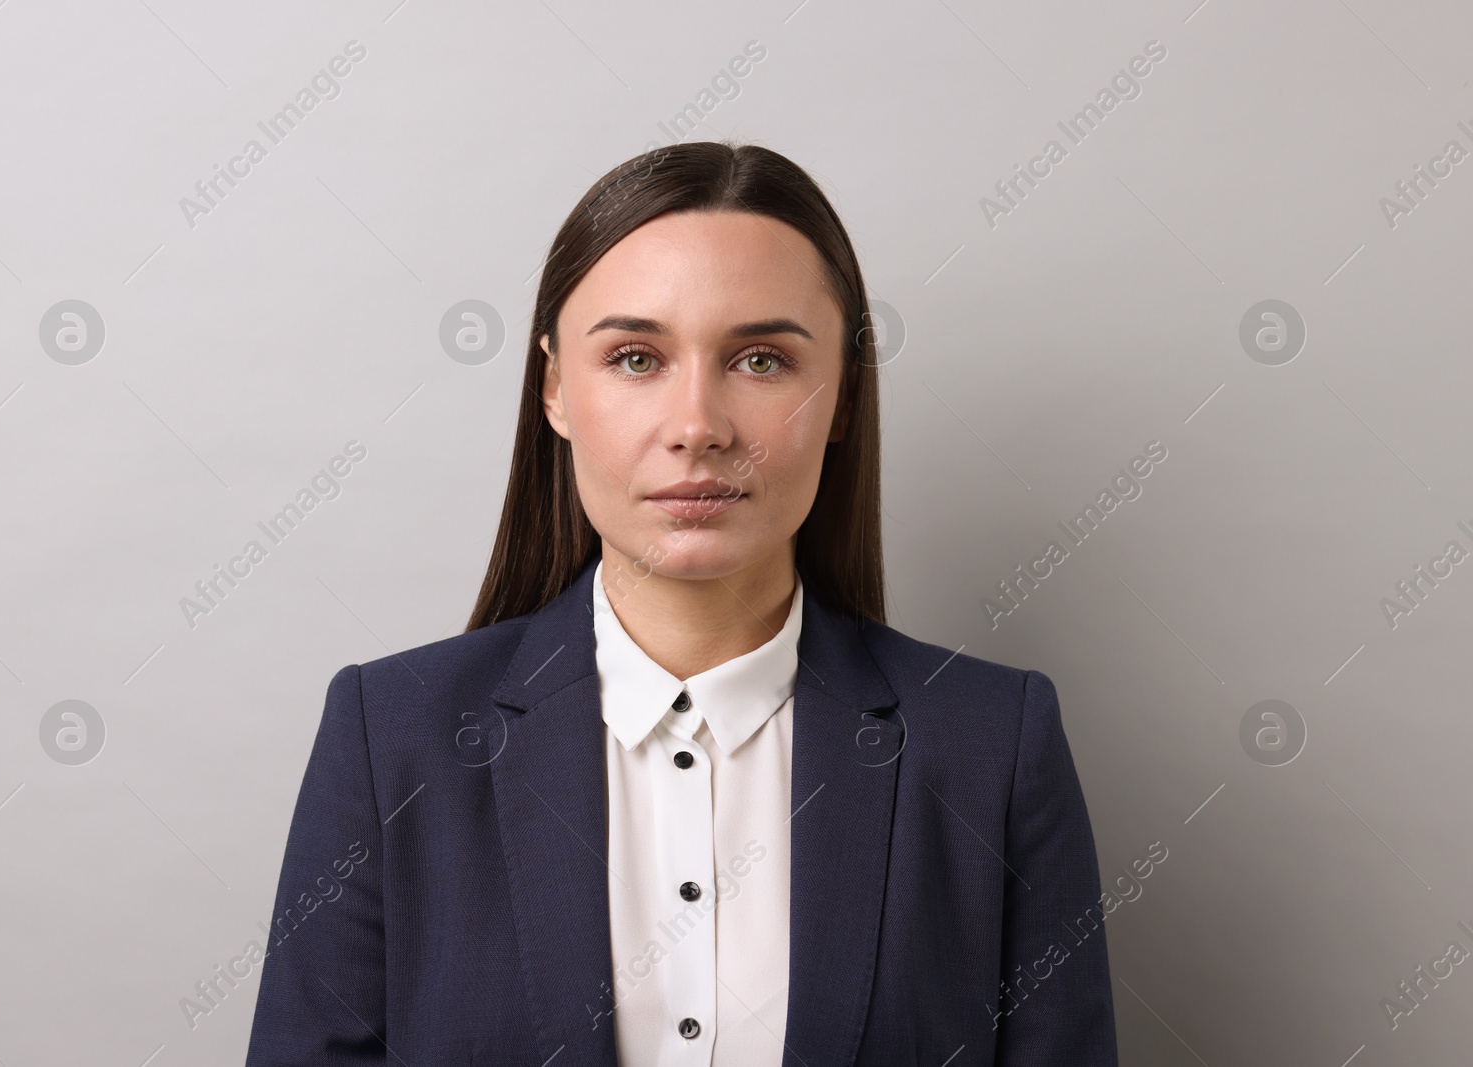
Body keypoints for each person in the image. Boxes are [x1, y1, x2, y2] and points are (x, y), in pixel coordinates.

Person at [244, 140, 1118, 1066]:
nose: (698, 425)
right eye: (633, 357)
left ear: (843, 395)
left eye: (762, 360)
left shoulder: (992, 747)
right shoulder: (392, 739)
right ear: (554, 388)